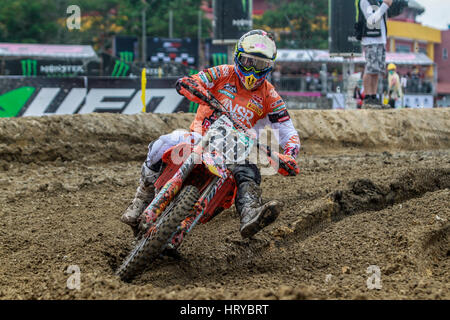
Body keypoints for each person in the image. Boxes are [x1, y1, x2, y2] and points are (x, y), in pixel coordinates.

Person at [120, 30, 301, 240]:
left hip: (235, 151)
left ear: (269, 67)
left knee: (249, 173)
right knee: (163, 143)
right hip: (200, 137)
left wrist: (289, 155)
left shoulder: (270, 96)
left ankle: (250, 213)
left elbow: (287, 130)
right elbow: (196, 80)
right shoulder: (223, 72)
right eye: (248, 61)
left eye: (260, 65)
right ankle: (143, 195)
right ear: (237, 57)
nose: (252, 70)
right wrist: (191, 85)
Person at [355, 0, 393, 109]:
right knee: (370, 68)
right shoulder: (364, 1)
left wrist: (387, 5)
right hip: (370, 40)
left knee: (376, 70)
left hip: (380, 40)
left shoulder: (378, 1)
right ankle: (367, 97)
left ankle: (373, 96)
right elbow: (371, 20)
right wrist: (385, 6)